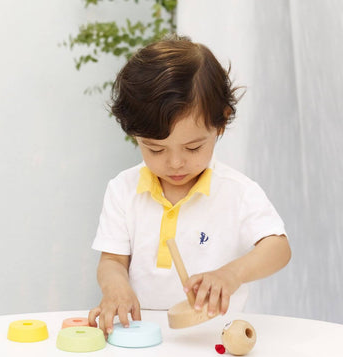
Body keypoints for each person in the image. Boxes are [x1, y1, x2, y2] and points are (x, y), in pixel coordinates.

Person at [88, 35, 291, 336]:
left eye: (193, 148)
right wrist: (115, 287)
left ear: (220, 125)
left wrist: (231, 274)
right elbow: (112, 260)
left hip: (218, 335)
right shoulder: (123, 190)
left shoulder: (236, 191)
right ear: (135, 135)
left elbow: (279, 248)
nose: (175, 163)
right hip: (144, 335)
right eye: (155, 150)